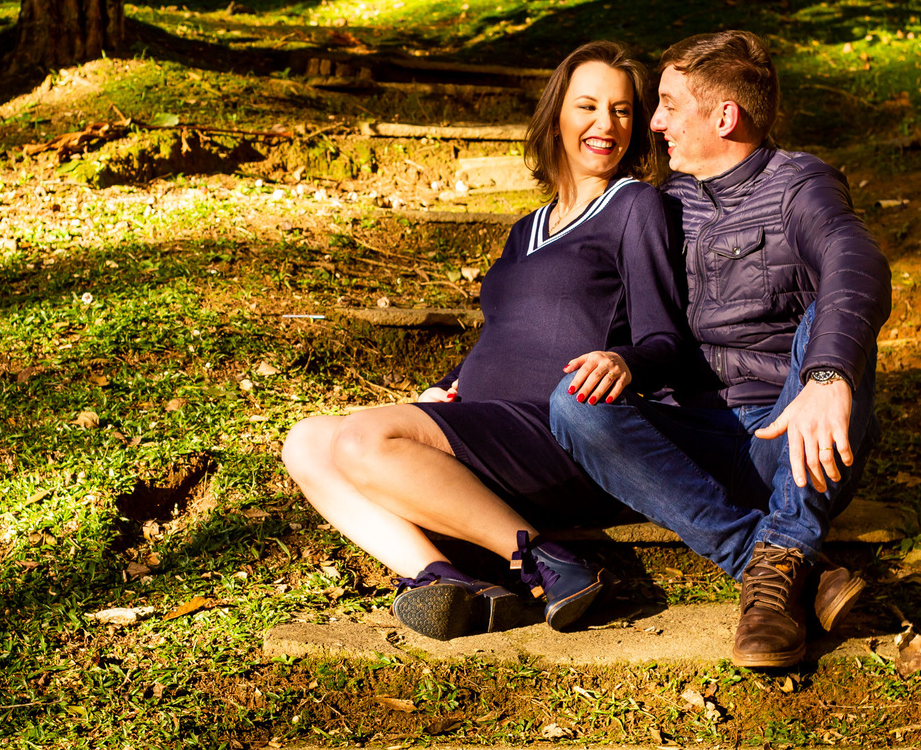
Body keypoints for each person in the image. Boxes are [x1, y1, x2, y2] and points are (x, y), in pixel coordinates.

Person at [282, 40, 687, 641]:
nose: (606, 124)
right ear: (556, 115)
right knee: (307, 442)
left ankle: (547, 560)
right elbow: (504, 338)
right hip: (489, 426)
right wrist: (445, 387)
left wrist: (622, 359)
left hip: (564, 432)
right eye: (588, 106)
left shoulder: (635, 206)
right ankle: (451, 579)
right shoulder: (527, 228)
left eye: (623, 110)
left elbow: (666, 338)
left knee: (364, 437)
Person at [549, 30, 893, 668]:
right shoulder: (656, 204)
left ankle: (780, 563)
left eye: (670, 105)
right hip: (692, 443)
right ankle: (781, 566)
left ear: (725, 116)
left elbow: (856, 259)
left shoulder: (799, 183)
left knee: (836, 322)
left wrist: (826, 374)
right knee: (573, 404)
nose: (653, 123)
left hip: (790, 439)